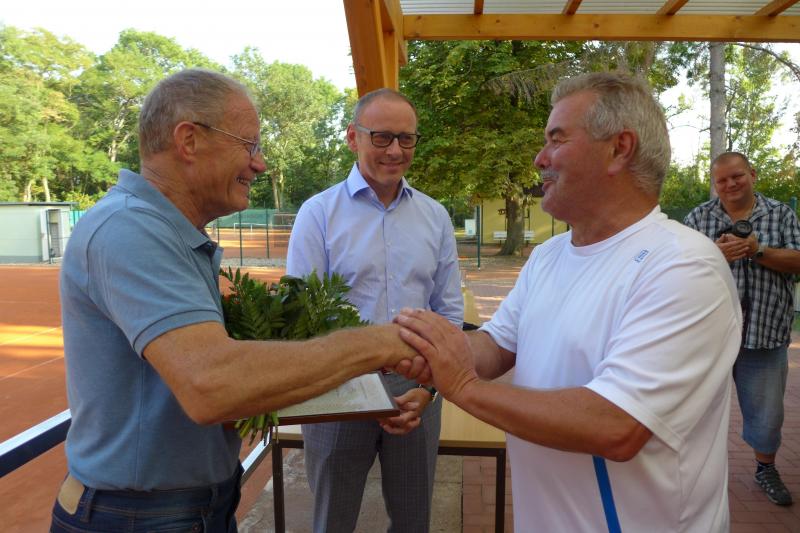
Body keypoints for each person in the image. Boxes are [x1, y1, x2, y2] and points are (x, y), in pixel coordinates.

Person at [52, 69, 428, 533]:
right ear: (189, 141)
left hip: (182, 508)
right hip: (139, 517)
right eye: (249, 145)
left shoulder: (167, 232)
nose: (260, 164)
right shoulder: (132, 230)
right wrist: (381, 343)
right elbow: (212, 384)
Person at [395, 72, 742, 532]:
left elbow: (615, 425)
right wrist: (425, 348)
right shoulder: (550, 255)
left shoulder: (683, 265)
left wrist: (462, 386)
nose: (540, 158)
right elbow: (497, 344)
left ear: (620, 148)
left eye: (557, 139)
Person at [286, 88, 463, 533]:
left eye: (407, 138)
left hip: (414, 389)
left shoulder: (435, 216)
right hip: (337, 386)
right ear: (353, 137)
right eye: (381, 137)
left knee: (412, 519)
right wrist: (349, 381)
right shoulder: (318, 214)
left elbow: (449, 313)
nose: (395, 151)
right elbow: (300, 317)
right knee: (333, 519)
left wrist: (429, 388)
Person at [684, 152, 800, 506]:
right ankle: (693, 473)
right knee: (697, 410)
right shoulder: (698, 218)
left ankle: (766, 469)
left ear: (752, 174)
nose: (730, 184)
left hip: (765, 333)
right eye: (722, 180)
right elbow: (681, 270)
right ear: (714, 184)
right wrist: (714, 256)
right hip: (710, 338)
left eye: (737, 176)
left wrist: (757, 250)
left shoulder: (781, 213)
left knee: (767, 414)